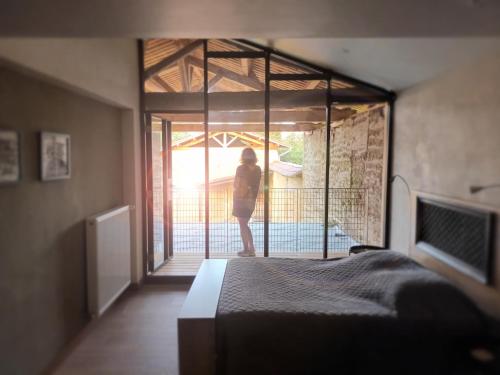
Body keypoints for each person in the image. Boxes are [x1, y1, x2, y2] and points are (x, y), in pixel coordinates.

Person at [232, 147, 261, 257]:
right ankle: (248, 249)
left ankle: (249, 249)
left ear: (243, 157)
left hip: (240, 200)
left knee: (242, 224)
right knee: (243, 224)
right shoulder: (258, 169)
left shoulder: (240, 168)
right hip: (251, 200)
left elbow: (236, 184)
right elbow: (256, 186)